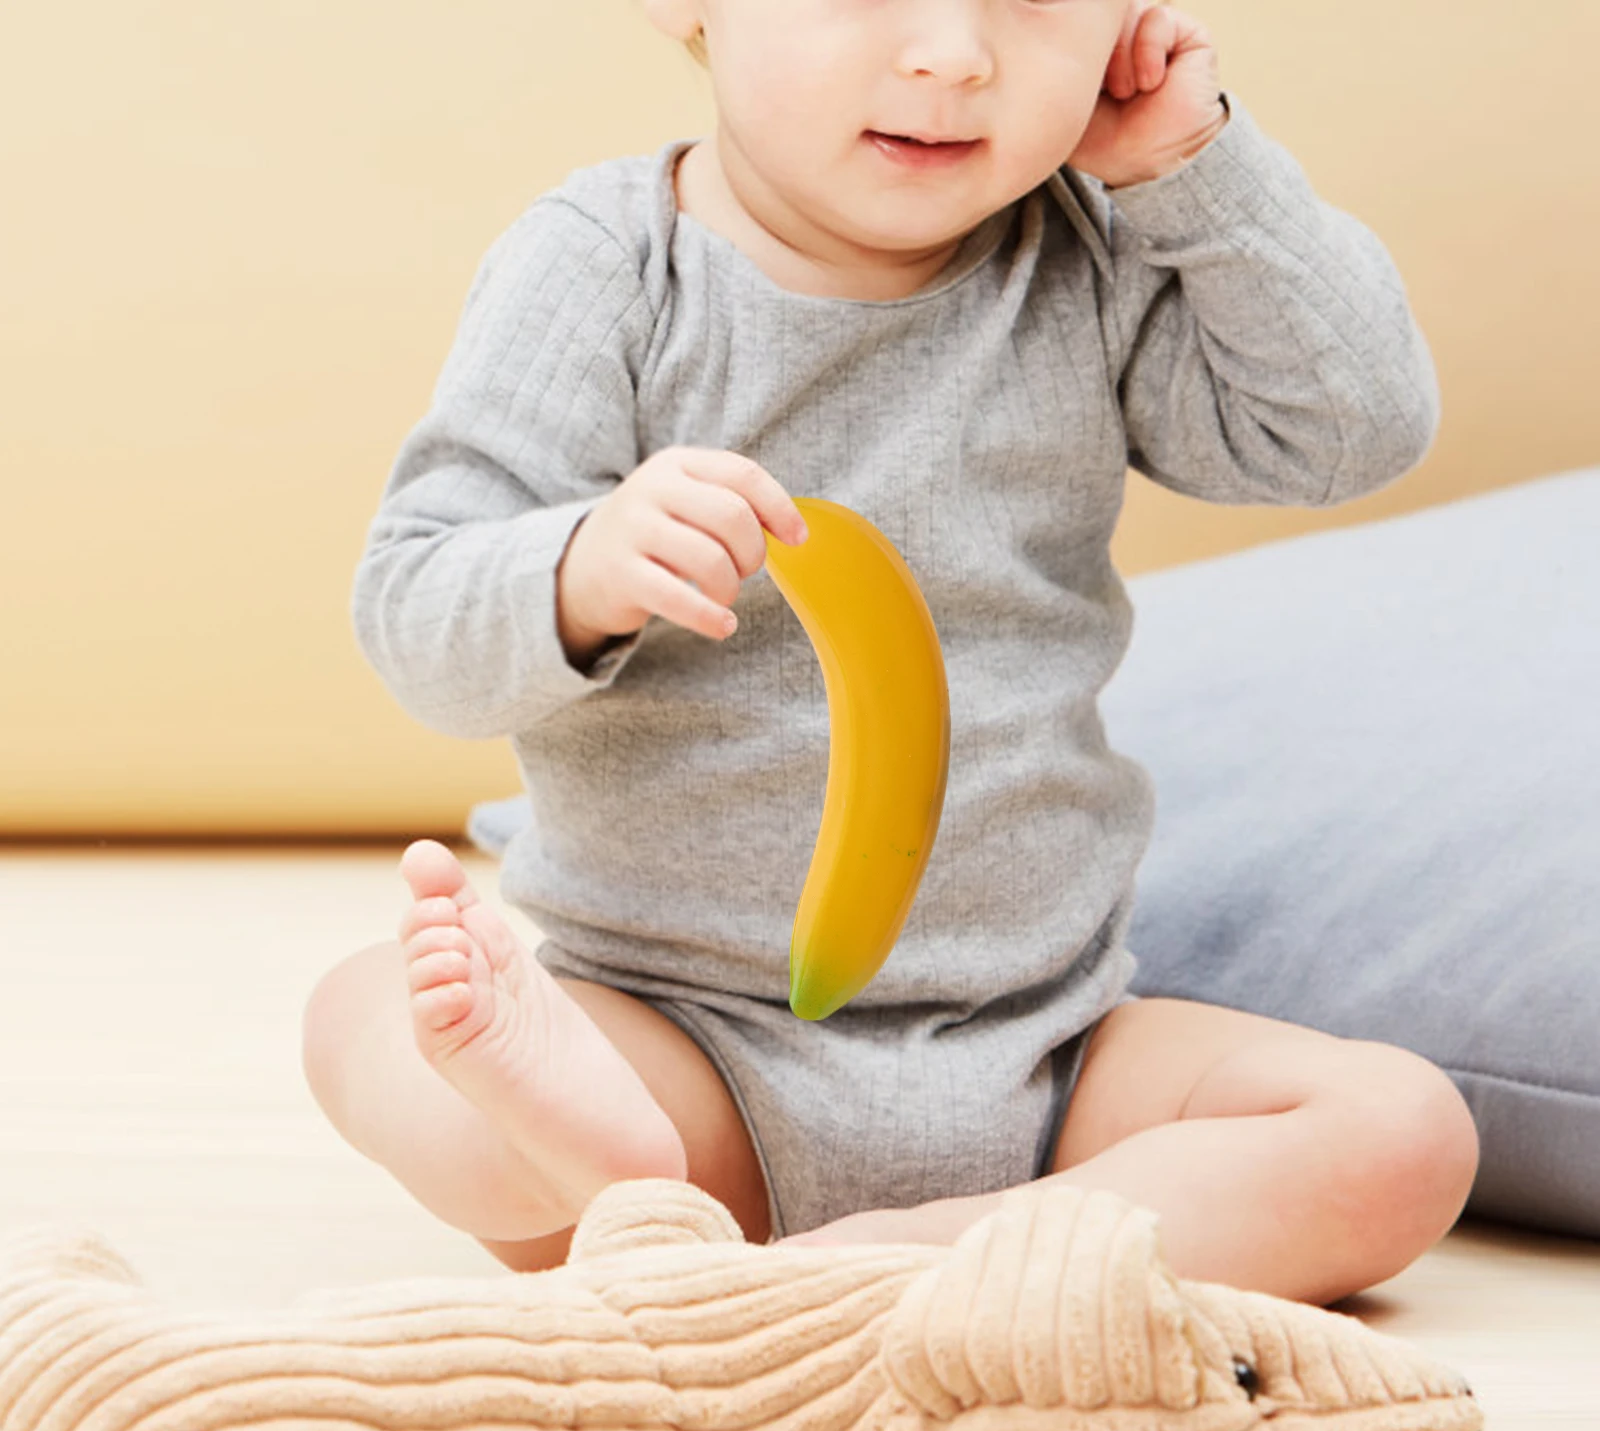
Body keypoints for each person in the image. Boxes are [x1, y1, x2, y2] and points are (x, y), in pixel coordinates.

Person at [303, 0, 1479, 1304]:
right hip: (676, 1038)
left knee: (1403, 1135)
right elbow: (417, 614)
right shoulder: (605, 270)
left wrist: (1190, 167)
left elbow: (1350, 432)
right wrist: (579, 568)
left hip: (1042, 1051)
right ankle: (631, 1171)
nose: (954, 55)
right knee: (366, 1019)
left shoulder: (1092, 252)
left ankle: (887, 1265)